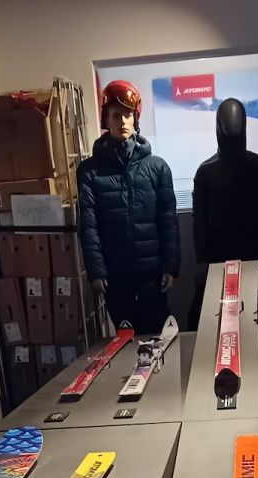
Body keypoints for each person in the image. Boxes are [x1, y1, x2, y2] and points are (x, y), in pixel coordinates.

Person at [77, 79, 180, 335]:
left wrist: (170, 266)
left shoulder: (157, 167)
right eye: (116, 115)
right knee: (125, 339)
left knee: (158, 336)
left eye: (127, 115)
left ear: (135, 119)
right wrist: (96, 271)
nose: (122, 121)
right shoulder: (90, 172)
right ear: (106, 119)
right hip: (116, 274)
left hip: (152, 273)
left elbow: (168, 220)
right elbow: (89, 224)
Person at [189, 98, 258, 329]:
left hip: (229, 258)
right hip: (239, 256)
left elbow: (199, 221)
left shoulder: (207, 171)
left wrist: (201, 261)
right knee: (246, 320)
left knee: (212, 323)